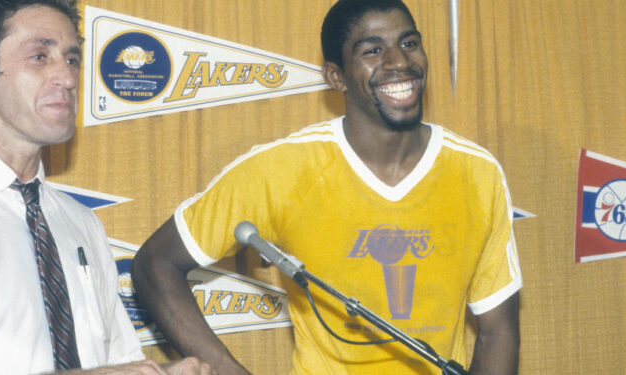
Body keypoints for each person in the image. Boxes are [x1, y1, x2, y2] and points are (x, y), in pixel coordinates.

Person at [131, 0, 522, 374]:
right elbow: (155, 264)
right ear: (336, 76)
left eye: (409, 43)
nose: (399, 61)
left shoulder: (476, 172)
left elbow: (497, 331)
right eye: (372, 50)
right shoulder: (283, 169)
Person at [0, 0, 213, 374]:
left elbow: (117, 364)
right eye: (39, 56)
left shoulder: (80, 223)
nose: (66, 77)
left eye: (72, 59)